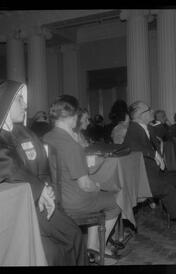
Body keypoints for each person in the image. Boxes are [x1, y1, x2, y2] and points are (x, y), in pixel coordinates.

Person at [0, 79, 86, 266]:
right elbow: (5, 165)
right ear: (3, 103)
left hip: (34, 202)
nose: (25, 105)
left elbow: (41, 165)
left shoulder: (25, 133)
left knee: (73, 234)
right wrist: (40, 190)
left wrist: (47, 188)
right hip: (6, 213)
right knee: (55, 249)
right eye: (19, 100)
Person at [43, 95, 122, 265]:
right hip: (74, 201)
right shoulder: (72, 145)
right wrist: (98, 186)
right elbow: (85, 185)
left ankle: (91, 247)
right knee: (116, 200)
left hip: (54, 196)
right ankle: (95, 248)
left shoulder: (47, 138)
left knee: (100, 197)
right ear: (72, 118)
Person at [123, 101, 176, 232]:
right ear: (139, 115)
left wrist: (163, 122)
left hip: (154, 173)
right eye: (148, 110)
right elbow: (131, 147)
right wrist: (153, 154)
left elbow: (165, 133)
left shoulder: (147, 127)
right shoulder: (133, 128)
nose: (152, 110)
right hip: (144, 177)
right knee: (168, 188)